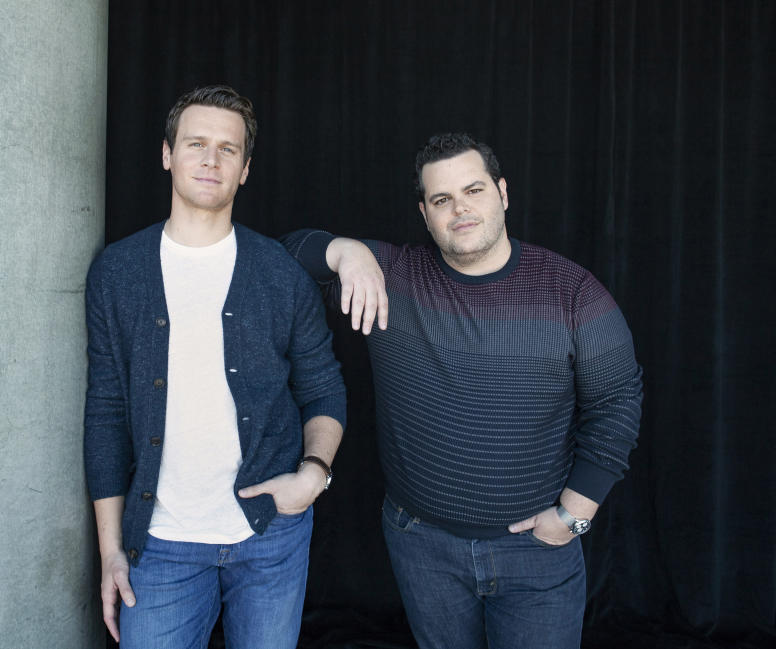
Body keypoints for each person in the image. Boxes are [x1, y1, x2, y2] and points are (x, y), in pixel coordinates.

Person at [281, 132, 642, 649]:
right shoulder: (389, 277)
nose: (460, 210)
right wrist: (346, 252)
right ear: (425, 214)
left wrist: (574, 516)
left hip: (536, 549)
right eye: (442, 199)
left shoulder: (572, 292)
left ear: (503, 193)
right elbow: (282, 255)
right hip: (419, 544)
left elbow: (617, 403)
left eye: (473, 191)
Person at [84, 85, 346, 649]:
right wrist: (109, 550)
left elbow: (324, 389)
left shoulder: (279, 274)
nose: (210, 159)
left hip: (271, 537)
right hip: (160, 544)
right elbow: (104, 414)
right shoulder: (118, 272)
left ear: (246, 169)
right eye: (195, 143)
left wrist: (314, 475)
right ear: (166, 154)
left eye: (228, 149)